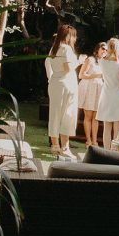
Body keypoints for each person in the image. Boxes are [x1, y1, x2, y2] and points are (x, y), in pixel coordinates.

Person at [44, 26, 81, 158]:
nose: (74, 39)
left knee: (55, 114)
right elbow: (68, 68)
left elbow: (49, 64)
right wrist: (79, 61)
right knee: (67, 115)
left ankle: (55, 145)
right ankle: (64, 147)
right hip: (66, 83)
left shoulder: (54, 48)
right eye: (73, 35)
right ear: (67, 36)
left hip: (56, 83)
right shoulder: (66, 48)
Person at [96, 37, 119, 149]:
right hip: (117, 96)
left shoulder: (102, 62)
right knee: (117, 129)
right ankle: (114, 152)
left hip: (106, 95)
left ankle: (106, 151)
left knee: (106, 127)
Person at [77, 42, 106, 146]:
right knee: (88, 116)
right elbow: (81, 75)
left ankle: (94, 141)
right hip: (89, 88)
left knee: (96, 117)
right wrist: (96, 75)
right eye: (103, 49)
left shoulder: (104, 62)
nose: (104, 51)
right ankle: (88, 140)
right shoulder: (90, 60)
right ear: (97, 49)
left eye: (106, 50)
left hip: (99, 89)